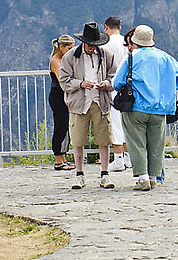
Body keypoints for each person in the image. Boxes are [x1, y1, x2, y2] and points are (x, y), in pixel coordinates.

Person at [113, 25, 178, 190]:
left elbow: (117, 83)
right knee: (157, 144)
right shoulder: (165, 57)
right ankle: (154, 178)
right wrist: (168, 88)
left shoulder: (131, 58)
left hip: (136, 107)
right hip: (160, 108)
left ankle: (143, 178)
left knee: (136, 142)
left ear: (134, 41)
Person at [59, 22, 121, 189]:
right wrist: (81, 84)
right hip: (79, 104)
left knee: (104, 140)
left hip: (101, 102)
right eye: (90, 45)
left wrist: (106, 83)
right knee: (78, 140)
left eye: (95, 45)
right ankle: (79, 175)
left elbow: (114, 77)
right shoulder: (70, 57)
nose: (93, 48)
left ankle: (105, 174)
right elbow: (64, 81)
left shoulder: (106, 55)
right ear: (83, 42)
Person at [102, 16, 131, 171]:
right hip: (128, 86)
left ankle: (118, 159)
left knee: (115, 124)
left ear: (106, 27)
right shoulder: (127, 43)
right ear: (120, 27)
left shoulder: (105, 44)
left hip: (112, 85)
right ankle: (128, 158)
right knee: (127, 123)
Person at [48, 35, 75, 170]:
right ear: (61, 47)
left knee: (65, 125)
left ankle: (63, 157)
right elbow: (61, 79)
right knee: (60, 126)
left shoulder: (63, 59)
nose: (71, 50)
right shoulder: (56, 60)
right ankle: (58, 159)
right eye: (69, 48)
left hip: (63, 96)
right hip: (58, 96)